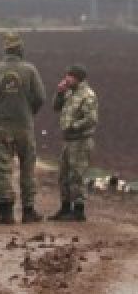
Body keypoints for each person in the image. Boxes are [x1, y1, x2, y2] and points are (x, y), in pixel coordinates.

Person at [0, 31, 46, 223]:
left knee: (3, 169)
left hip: (3, 126)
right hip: (24, 127)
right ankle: (28, 211)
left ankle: (6, 212)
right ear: (20, 48)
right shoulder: (30, 70)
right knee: (27, 169)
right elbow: (41, 97)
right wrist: (29, 111)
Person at [50, 65, 98, 221]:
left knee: (77, 175)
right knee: (63, 175)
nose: (67, 78)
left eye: (70, 76)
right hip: (68, 141)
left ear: (78, 78)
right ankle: (65, 208)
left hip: (81, 141)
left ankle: (78, 210)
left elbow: (91, 119)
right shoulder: (69, 92)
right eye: (66, 75)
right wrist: (59, 92)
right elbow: (56, 107)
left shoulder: (88, 95)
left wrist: (73, 126)